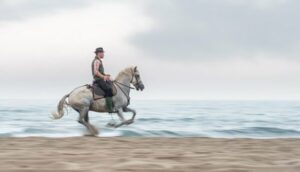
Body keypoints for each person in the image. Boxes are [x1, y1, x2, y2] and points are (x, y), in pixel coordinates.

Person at [91, 47, 114, 113]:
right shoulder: (97, 61)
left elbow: (100, 72)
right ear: (99, 53)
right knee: (109, 90)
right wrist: (103, 77)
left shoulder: (98, 60)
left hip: (100, 78)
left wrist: (106, 75)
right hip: (99, 80)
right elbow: (96, 72)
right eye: (103, 53)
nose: (103, 54)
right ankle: (109, 109)